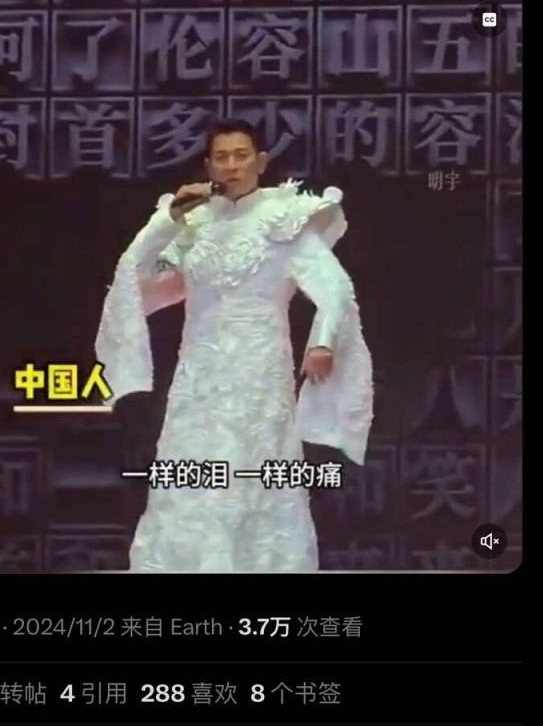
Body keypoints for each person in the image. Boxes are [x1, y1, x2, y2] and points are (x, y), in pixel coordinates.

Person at [95, 119, 374, 572]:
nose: (231, 166)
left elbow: (336, 288)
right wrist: (165, 222)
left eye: (241, 155)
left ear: (260, 162)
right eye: (221, 157)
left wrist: (322, 342)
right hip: (199, 374)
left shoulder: (284, 218)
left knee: (255, 469)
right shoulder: (193, 223)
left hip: (260, 371)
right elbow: (137, 281)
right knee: (192, 467)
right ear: (208, 166)